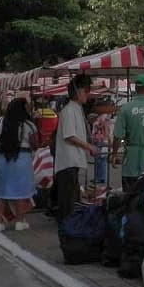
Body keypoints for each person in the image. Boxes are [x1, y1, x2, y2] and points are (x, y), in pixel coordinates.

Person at [0, 97, 37, 232]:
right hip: (22, 159)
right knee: (21, 191)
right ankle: (20, 222)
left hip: (2, 159)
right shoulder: (29, 125)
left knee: (0, 191)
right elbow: (35, 143)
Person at [53, 74, 97, 221]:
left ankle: (69, 227)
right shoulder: (69, 110)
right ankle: (66, 229)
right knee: (68, 202)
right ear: (78, 91)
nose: (88, 94)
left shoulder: (77, 109)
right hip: (67, 162)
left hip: (74, 162)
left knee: (72, 199)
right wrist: (89, 146)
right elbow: (69, 135)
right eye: (86, 90)